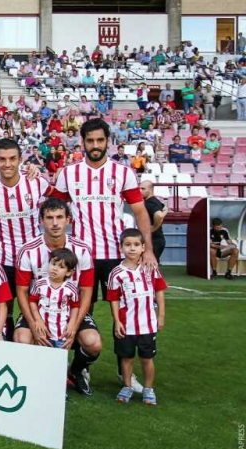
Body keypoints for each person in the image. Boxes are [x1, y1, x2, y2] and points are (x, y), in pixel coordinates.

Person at [52, 118, 156, 392]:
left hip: (115, 256)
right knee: (74, 309)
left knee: (125, 312)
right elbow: (53, 206)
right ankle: (77, 367)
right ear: (82, 142)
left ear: (108, 141)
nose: (95, 145)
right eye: (90, 141)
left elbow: (140, 212)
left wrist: (148, 251)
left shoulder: (122, 173)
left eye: (100, 140)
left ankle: (125, 373)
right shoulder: (68, 173)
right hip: (79, 257)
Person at [15, 198, 102, 396]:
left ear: (68, 220)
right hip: (40, 309)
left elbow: (87, 290)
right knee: (22, 340)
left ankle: (76, 371)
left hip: (69, 310)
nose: (55, 223)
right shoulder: (28, 250)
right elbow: (22, 291)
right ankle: (40, 377)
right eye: (49, 218)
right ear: (41, 221)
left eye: (60, 217)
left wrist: (74, 325)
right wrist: (34, 323)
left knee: (93, 343)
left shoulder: (82, 249)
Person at [0, 138, 50, 335]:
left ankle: (45, 352)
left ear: (20, 160)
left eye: (12, 159)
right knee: (3, 310)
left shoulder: (37, 182)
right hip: (3, 258)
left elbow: (57, 203)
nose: (7, 164)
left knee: (41, 309)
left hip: (35, 259)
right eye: (2, 159)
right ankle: (8, 354)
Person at [108, 228, 167, 405]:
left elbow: (159, 291)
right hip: (127, 325)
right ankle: (127, 386)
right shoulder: (116, 273)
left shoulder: (150, 268)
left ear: (143, 247)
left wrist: (161, 315)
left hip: (147, 324)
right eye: (127, 245)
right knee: (126, 358)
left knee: (147, 359)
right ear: (121, 248)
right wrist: (117, 321)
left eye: (136, 245)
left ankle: (148, 389)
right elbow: (113, 299)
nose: (131, 248)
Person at [28, 248, 81, 349]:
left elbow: (75, 306)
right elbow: (32, 301)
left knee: (59, 360)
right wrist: (38, 319)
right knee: (42, 358)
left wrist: (72, 323)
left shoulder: (70, 288)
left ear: (69, 272)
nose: (55, 268)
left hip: (61, 333)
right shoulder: (40, 284)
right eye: (53, 264)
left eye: (61, 267)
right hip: (42, 331)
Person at [140, 181, 167, 261]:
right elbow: (165, 208)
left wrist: (153, 228)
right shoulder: (154, 200)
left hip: (153, 240)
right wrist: (163, 214)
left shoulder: (150, 203)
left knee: (149, 267)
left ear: (150, 190)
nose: (140, 191)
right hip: (157, 239)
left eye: (143, 189)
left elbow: (159, 215)